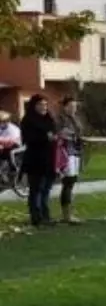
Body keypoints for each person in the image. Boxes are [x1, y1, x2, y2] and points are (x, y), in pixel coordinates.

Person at [19, 94, 57, 227]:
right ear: (34, 106)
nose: (44, 107)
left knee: (46, 188)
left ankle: (46, 215)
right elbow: (28, 139)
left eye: (45, 105)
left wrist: (54, 137)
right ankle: (36, 217)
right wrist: (45, 138)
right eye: (41, 105)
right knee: (36, 189)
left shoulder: (49, 119)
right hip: (35, 159)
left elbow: (53, 133)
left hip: (49, 158)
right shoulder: (28, 120)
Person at [56, 97, 85, 224]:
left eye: (75, 106)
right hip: (66, 153)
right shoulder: (60, 118)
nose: (73, 109)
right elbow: (60, 133)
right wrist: (72, 135)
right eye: (71, 106)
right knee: (67, 182)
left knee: (72, 181)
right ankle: (66, 215)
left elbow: (79, 132)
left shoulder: (76, 119)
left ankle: (69, 213)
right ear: (65, 107)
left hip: (76, 152)